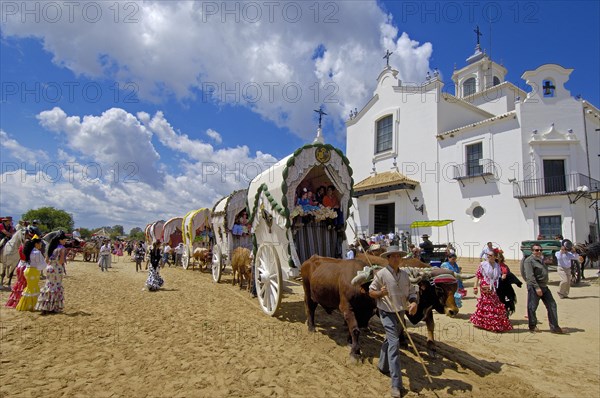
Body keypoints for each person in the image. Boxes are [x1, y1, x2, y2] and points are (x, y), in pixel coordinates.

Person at [369, 245, 417, 398]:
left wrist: (413, 302)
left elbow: (411, 292)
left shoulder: (404, 275)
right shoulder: (381, 274)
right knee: (395, 343)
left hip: (400, 312)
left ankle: (383, 366)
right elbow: (371, 291)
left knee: (389, 341)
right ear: (388, 258)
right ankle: (396, 384)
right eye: (393, 256)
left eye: (398, 256)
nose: (396, 258)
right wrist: (380, 293)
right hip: (386, 312)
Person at [521, 243, 564, 334]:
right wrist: (537, 287)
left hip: (544, 286)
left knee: (552, 305)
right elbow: (530, 276)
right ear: (532, 251)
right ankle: (532, 326)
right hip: (534, 286)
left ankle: (554, 327)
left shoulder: (542, 259)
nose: (539, 252)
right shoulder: (529, 261)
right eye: (537, 250)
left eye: (540, 250)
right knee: (532, 307)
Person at [470, 252, 513, 332]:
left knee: (493, 303)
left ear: (495, 257)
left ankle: (490, 323)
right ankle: (489, 324)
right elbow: (478, 276)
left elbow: (498, 276)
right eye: (488, 255)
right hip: (485, 286)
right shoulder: (483, 265)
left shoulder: (497, 266)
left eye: (491, 255)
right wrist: (475, 287)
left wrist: (503, 276)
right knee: (488, 303)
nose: (488, 256)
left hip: (494, 287)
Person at [35, 232, 67, 314]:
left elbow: (46, 260)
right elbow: (61, 261)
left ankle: (45, 306)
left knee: (48, 286)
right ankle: (53, 307)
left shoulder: (51, 247)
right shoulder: (62, 248)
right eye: (64, 239)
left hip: (49, 268)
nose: (65, 241)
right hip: (57, 268)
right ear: (60, 240)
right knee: (56, 286)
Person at [16, 236, 47, 311]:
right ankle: (32, 305)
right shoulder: (37, 252)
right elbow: (41, 264)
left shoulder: (30, 251)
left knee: (30, 287)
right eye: (40, 243)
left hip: (28, 270)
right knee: (33, 287)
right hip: (33, 271)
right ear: (36, 244)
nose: (41, 245)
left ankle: (27, 304)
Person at [495, 249, 523, 317]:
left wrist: (515, 281)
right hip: (496, 286)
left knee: (506, 301)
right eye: (497, 256)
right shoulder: (493, 266)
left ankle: (505, 315)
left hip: (505, 286)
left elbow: (509, 274)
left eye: (499, 257)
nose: (498, 258)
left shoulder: (505, 266)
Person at [5, 238, 29, 308]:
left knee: (19, 283)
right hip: (24, 266)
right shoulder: (26, 249)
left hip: (20, 266)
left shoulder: (20, 247)